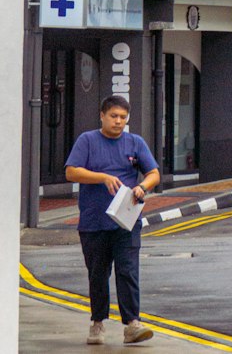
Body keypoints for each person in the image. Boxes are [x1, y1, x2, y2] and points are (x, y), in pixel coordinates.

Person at [65, 93, 160, 346]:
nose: (118, 122)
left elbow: (153, 173)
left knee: (127, 271)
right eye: (114, 116)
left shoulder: (135, 143)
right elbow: (71, 172)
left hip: (126, 222)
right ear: (102, 116)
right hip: (94, 221)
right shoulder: (87, 141)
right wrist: (103, 177)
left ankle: (132, 324)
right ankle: (97, 323)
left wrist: (142, 187)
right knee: (97, 274)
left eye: (123, 118)